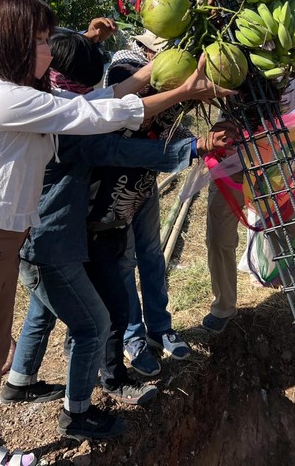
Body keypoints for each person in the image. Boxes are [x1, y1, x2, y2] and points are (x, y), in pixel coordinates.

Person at [0, 0, 232, 466]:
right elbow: (89, 116)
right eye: (39, 40)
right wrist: (181, 93)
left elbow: (96, 98)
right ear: (13, 43)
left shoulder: (28, 95)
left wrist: (146, 74)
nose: (48, 50)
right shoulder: (1, 97)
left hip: (1, 245)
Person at [0, 32, 236, 442]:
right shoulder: (66, 123)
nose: (92, 93)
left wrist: (164, 75)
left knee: (43, 310)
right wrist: (193, 137)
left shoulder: (50, 103)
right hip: (51, 245)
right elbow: (118, 137)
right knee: (95, 322)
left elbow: (111, 98)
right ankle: (80, 410)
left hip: (35, 243)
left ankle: (19, 381)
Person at [201, 54, 295, 334]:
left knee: (287, 226)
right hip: (229, 152)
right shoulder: (224, 55)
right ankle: (224, 306)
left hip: (274, 151)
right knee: (220, 233)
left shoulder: (289, 59)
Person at [110, 30, 195, 377]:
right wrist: (184, 91)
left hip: (146, 181)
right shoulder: (123, 70)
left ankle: (160, 327)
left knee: (151, 254)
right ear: (145, 50)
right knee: (126, 260)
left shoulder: (173, 77)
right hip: (116, 186)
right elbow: (138, 114)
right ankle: (134, 337)